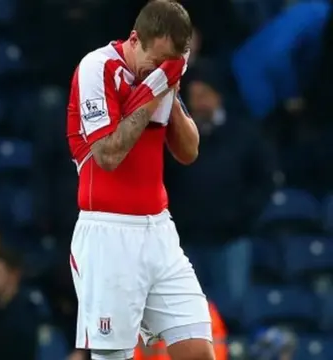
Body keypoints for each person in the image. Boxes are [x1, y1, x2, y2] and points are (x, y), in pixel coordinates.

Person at [66, 2, 213, 360]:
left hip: (159, 231)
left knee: (197, 351)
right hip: (108, 233)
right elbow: (108, 155)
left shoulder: (160, 78)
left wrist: (170, 92)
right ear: (135, 39)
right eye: (156, 59)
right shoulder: (97, 67)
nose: (160, 68)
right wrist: (154, 88)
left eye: (170, 63)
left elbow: (189, 151)